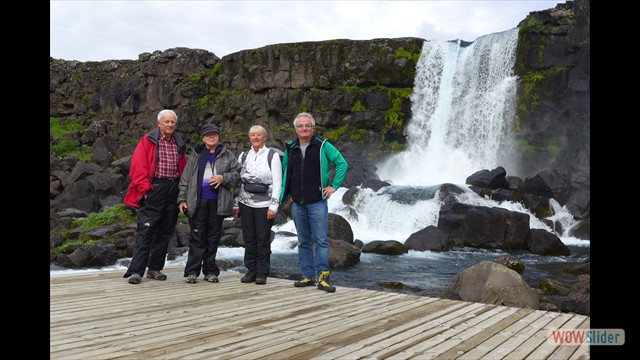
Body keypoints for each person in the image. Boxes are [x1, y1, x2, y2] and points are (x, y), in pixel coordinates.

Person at [279, 112, 348, 293]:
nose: (304, 128)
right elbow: (286, 170)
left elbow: (342, 163)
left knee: (321, 241)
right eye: (300, 126)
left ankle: (323, 277)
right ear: (296, 129)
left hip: (317, 201)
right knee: (303, 241)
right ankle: (308, 276)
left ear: (313, 128)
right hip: (297, 203)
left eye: (307, 125)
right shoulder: (290, 147)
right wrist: (287, 195)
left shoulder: (323, 146)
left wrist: (334, 186)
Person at [123, 109, 187, 284]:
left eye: (172, 122)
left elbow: (183, 168)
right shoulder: (148, 141)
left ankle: (154, 268)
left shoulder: (178, 142)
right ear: (158, 123)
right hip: (154, 187)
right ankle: (136, 271)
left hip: (172, 188)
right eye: (166, 121)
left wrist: (182, 191)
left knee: (165, 231)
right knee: (146, 230)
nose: (170, 125)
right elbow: (137, 167)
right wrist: (147, 189)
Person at [178, 123, 241, 284]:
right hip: (197, 202)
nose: (211, 137)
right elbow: (185, 178)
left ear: (218, 136)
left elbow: (237, 174)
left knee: (213, 238)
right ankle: (192, 272)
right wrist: (182, 199)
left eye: (214, 134)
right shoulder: (196, 154)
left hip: (218, 203)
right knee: (197, 237)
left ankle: (210, 271)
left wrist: (223, 178)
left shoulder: (227, 155)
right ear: (203, 138)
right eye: (207, 135)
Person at [233, 125, 283, 285]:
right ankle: (251, 270)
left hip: (265, 204)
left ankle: (262, 272)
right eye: (252, 135)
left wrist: (273, 207)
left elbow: (277, 182)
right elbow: (238, 181)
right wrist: (236, 204)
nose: (255, 138)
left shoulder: (272, 155)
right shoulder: (243, 155)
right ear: (249, 138)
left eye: (258, 135)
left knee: (262, 239)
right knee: (249, 238)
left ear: (264, 137)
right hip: (245, 203)